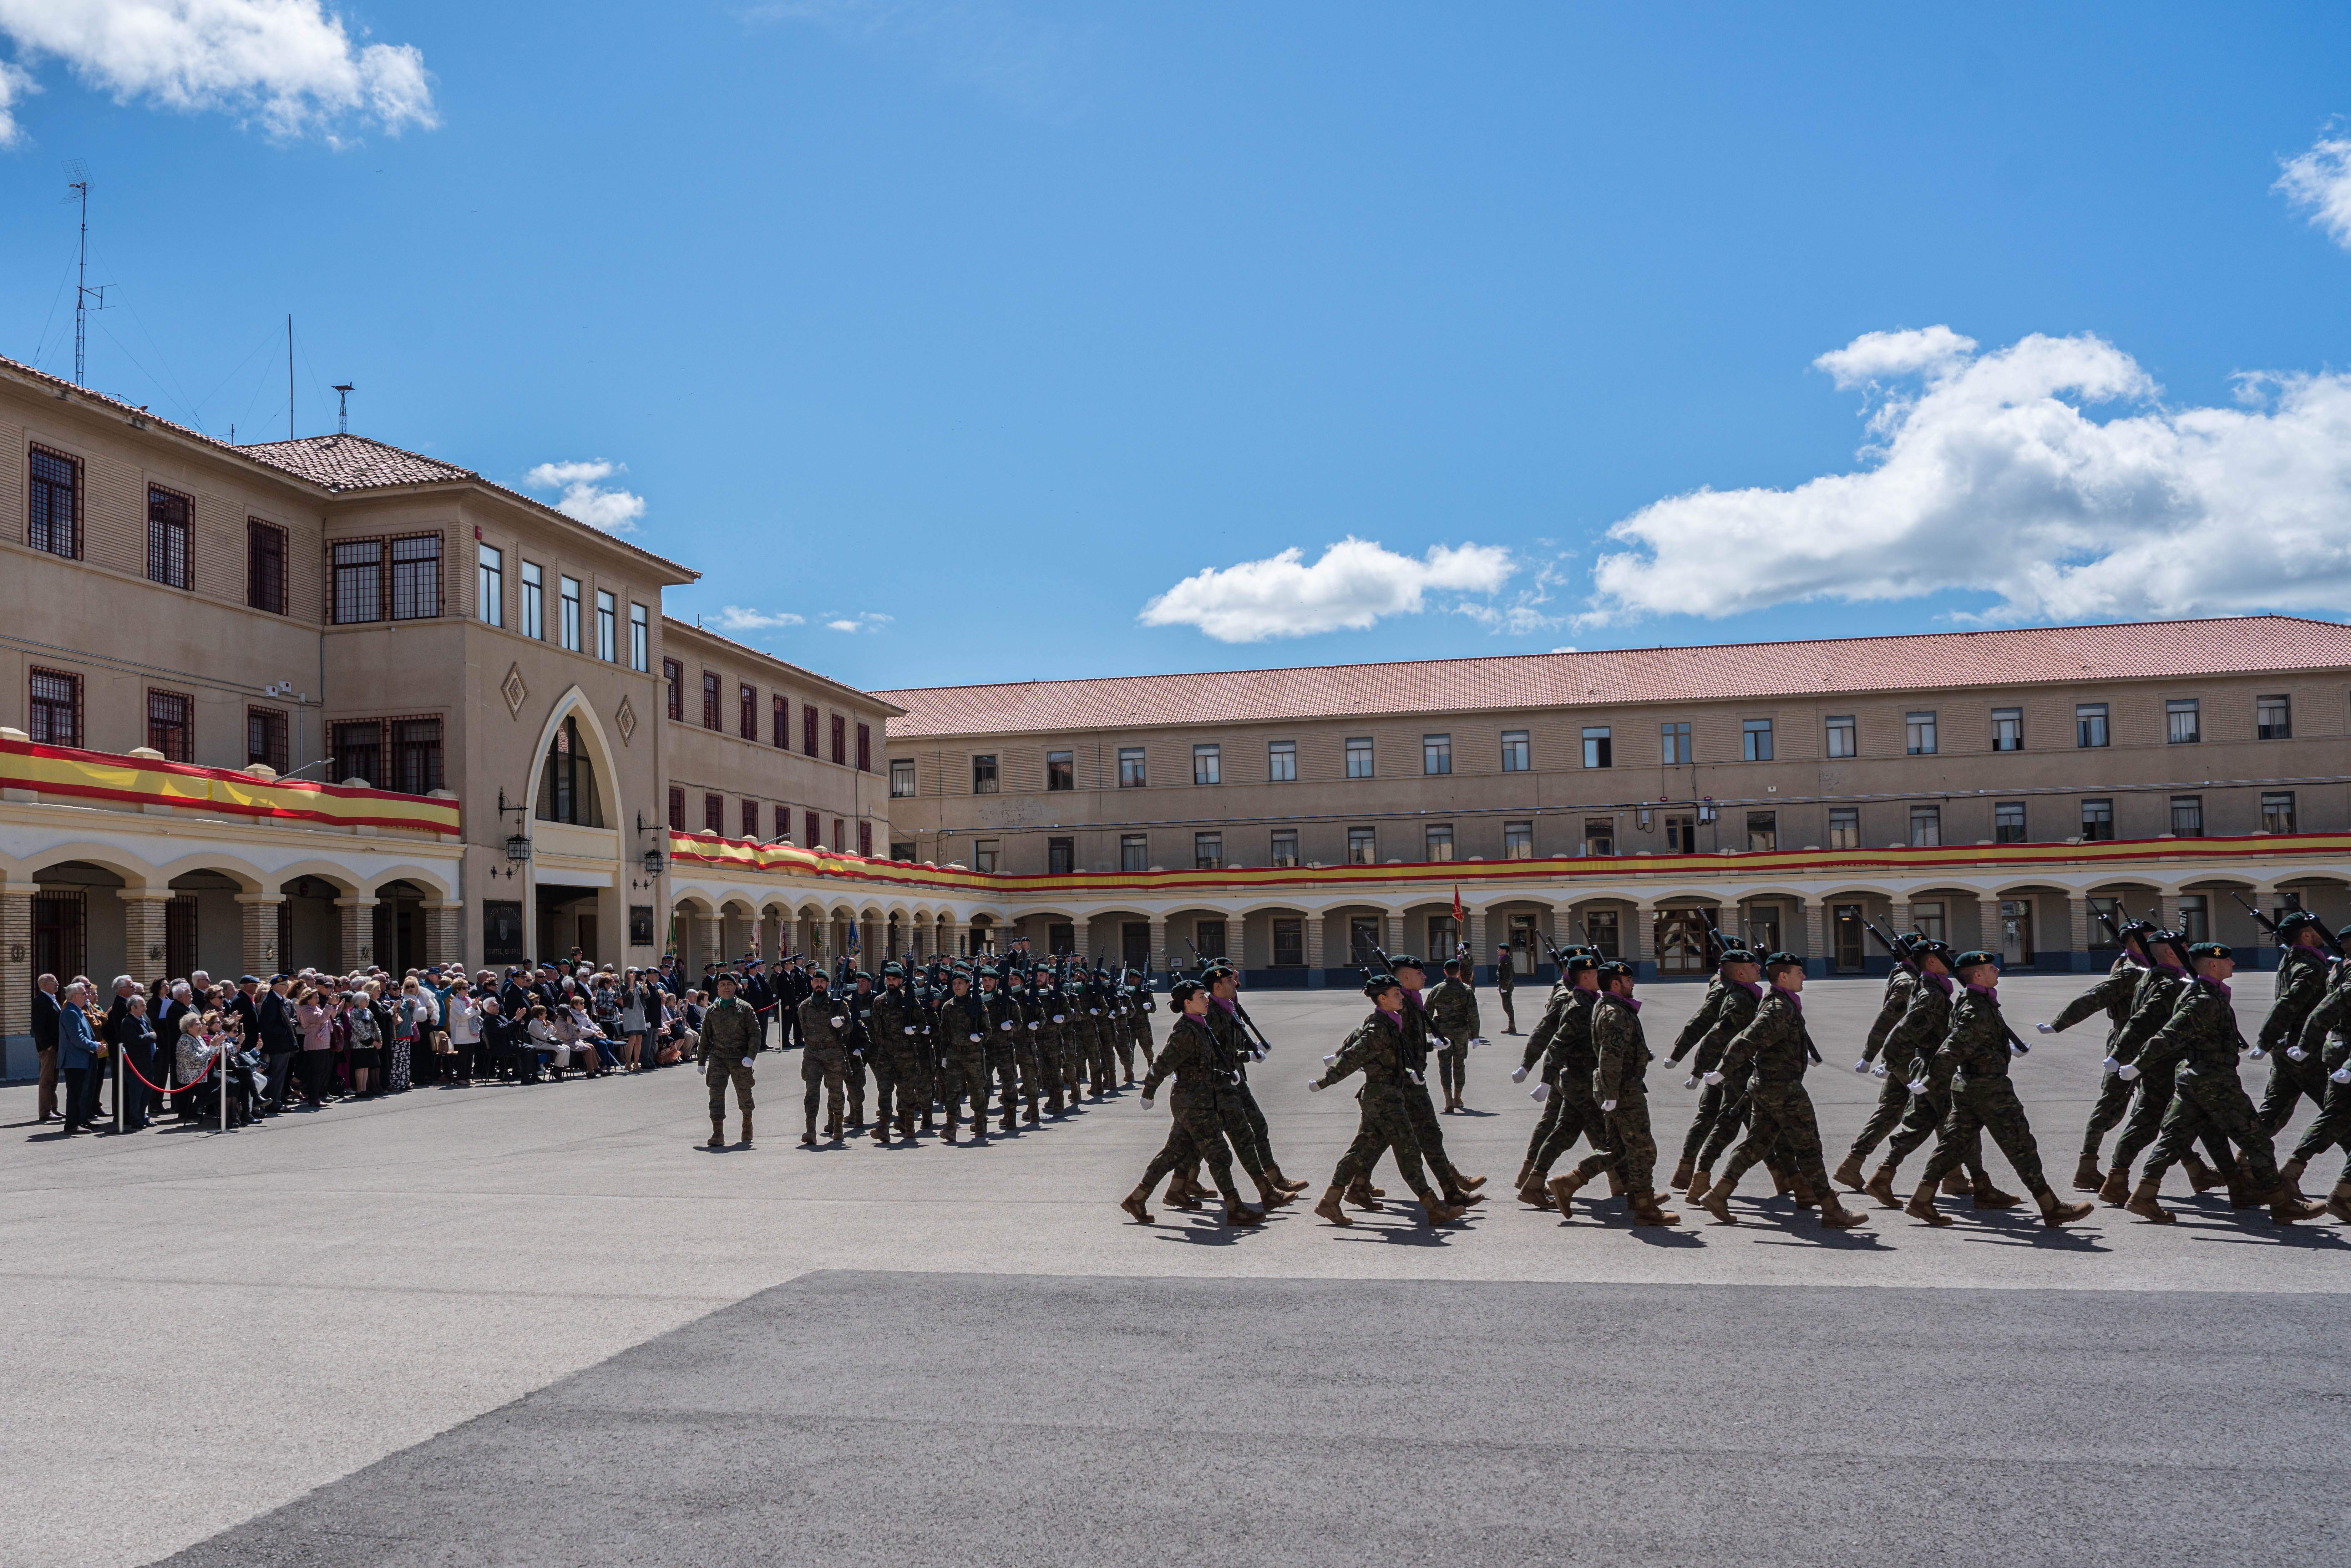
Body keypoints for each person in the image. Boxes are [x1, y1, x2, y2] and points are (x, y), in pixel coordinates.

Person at [2123, 943, 2327, 1226]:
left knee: (2173, 1139)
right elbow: (2169, 1034)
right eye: (2226, 960)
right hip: (2214, 1081)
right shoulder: (2203, 999)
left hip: (2194, 1078)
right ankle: (2282, 1204)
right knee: (2257, 1141)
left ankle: (2143, 1195)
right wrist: (2137, 1065)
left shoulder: (2204, 992)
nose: (2232, 962)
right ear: (2213, 965)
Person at [1904, 952, 2097, 1229]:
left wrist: (2005, 1050)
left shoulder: (1976, 1000)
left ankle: (1921, 1199)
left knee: (1952, 1144)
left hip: (1970, 1085)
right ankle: (2050, 1206)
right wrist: (1931, 1078)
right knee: (2020, 1145)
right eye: (1990, 967)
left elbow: (1975, 1041)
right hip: (1989, 1088)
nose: (1997, 969)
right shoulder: (1976, 1008)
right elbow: (1954, 1046)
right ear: (1978, 976)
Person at [1697, 953, 1868, 1229]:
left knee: (1757, 1144)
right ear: (1783, 977)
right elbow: (1746, 1038)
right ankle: (1831, 1209)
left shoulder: (1781, 1002)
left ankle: (1717, 1194)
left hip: (1768, 1085)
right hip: (1782, 1088)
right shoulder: (1779, 1007)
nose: (1804, 977)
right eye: (1799, 972)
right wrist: (1722, 1071)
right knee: (1809, 1146)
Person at [1309, 975, 1464, 1228]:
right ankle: (1433, 1208)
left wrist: (1409, 1072)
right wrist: (1325, 1081)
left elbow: (1390, 1060)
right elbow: (1353, 1056)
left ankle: (1330, 1200)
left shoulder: (1391, 1022)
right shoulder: (1379, 1028)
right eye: (1395, 993)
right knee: (1409, 1152)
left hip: (1384, 1096)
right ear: (1382, 999)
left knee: (1361, 1151)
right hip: (1384, 1100)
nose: (1401, 996)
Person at [1122, 979, 1264, 1227]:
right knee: (1218, 1153)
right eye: (1201, 996)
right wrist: (1148, 1092)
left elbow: (1214, 1057)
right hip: (1192, 1102)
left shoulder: (1200, 1024)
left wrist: (1243, 1059)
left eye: (1205, 996)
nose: (1206, 999)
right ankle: (1235, 1208)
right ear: (1187, 1003)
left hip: (1198, 1098)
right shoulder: (1185, 1031)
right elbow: (1162, 1063)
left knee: (1174, 1152)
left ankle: (1137, 1198)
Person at [1546, 961, 1679, 1225]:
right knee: (1643, 1148)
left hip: (1617, 1087)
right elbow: (1610, 1055)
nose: (1633, 984)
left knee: (1617, 1149)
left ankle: (1568, 1182)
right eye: (1628, 980)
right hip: (1623, 1089)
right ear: (1616, 984)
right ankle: (1645, 1207)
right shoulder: (1614, 1013)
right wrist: (1611, 1093)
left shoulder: (1611, 1007)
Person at [2037, 922, 2154, 1189]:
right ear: (2135, 944)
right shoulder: (2129, 971)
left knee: (2161, 1102)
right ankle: (2087, 1166)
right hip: (2127, 1043)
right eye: (2150, 939)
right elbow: (2094, 997)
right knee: (2111, 1105)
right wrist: (2058, 1023)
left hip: (2150, 1041)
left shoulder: (2144, 966)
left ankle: (2193, 1167)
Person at [700, 972, 759, 1148]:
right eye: (723, 985)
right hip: (719, 1058)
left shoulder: (745, 1008)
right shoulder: (712, 1010)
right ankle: (718, 1133)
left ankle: (747, 1122)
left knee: (744, 1094)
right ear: (718, 989)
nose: (726, 987)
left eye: (729, 984)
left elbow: (755, 1034)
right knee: (716, 1094)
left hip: (740, 1058)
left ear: (735, 988)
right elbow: (705, 1037)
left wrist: (751, 1056)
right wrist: (701, 1061)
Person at [1427, 955, 1483, 1113]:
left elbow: (1427, 1012)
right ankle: (1458, 1098)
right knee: (1459, 1065)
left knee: (1444, 1065)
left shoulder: (1437, 989)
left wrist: (1429, 1032)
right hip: (1460, 1032)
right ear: (1459, 972)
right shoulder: (1466, 989)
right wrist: (1476, 1035)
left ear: (1445, 972)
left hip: (1442, 1033)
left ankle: (1448, 1101)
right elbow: (1473, 1014)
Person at [57, 981, 102, 1135]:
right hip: (74, 1060)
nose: (87, 996)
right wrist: (95, 1046)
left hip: (82, 1059)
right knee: (75, 1094)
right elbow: (77, 1038)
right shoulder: (70, 1012)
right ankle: (72, 1125)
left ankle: (81, 1120)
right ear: (74, 996)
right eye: (84, 994)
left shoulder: (78, 1010)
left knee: (83, 1092)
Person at [32, 973, 62, 1123]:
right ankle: (45, 1112)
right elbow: (38, 1027)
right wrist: (48, 1046)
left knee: (54, 1079)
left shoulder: (53, 999)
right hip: (48, 1049)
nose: (57, 984)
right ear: (44, 985)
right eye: (54, 982)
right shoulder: (41, 1001)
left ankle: (54, 1108)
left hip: (57, 1046)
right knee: (46, 1080)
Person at [1495, 943, 1518, 1034]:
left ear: (1504, 951)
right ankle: (1511, 1026)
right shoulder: (1503, 959)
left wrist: (1504, 988)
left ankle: (1512, 1027)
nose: (1498, 950)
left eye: (1499, 949)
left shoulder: (1506, 961)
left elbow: (1508, 976)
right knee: (1506, 1006)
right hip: (1504, 985)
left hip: (1507, 987)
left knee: (1508, 1006)